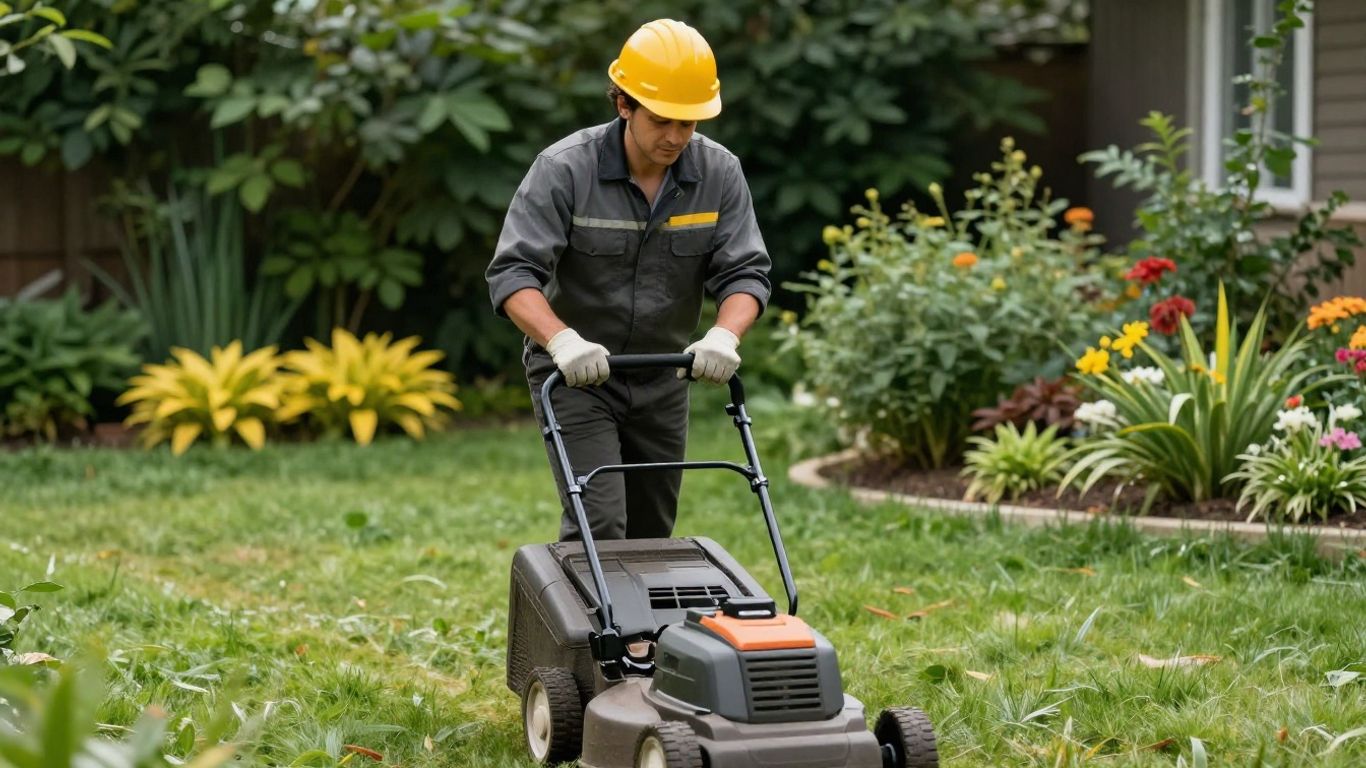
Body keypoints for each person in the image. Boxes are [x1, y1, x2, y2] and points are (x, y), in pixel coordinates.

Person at [485, 18, 772, 543]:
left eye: (688, 124)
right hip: (575, 377)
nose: (675, 137)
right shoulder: (565, 170)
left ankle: (643, 631)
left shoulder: (719, 173)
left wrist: (725, 334)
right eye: (662, 120)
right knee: (600, 523)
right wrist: (562, 340)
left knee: (652, 532)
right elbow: (512, 274)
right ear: (624, 104)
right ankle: (591, 628)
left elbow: (745, 272)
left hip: (663, 378)